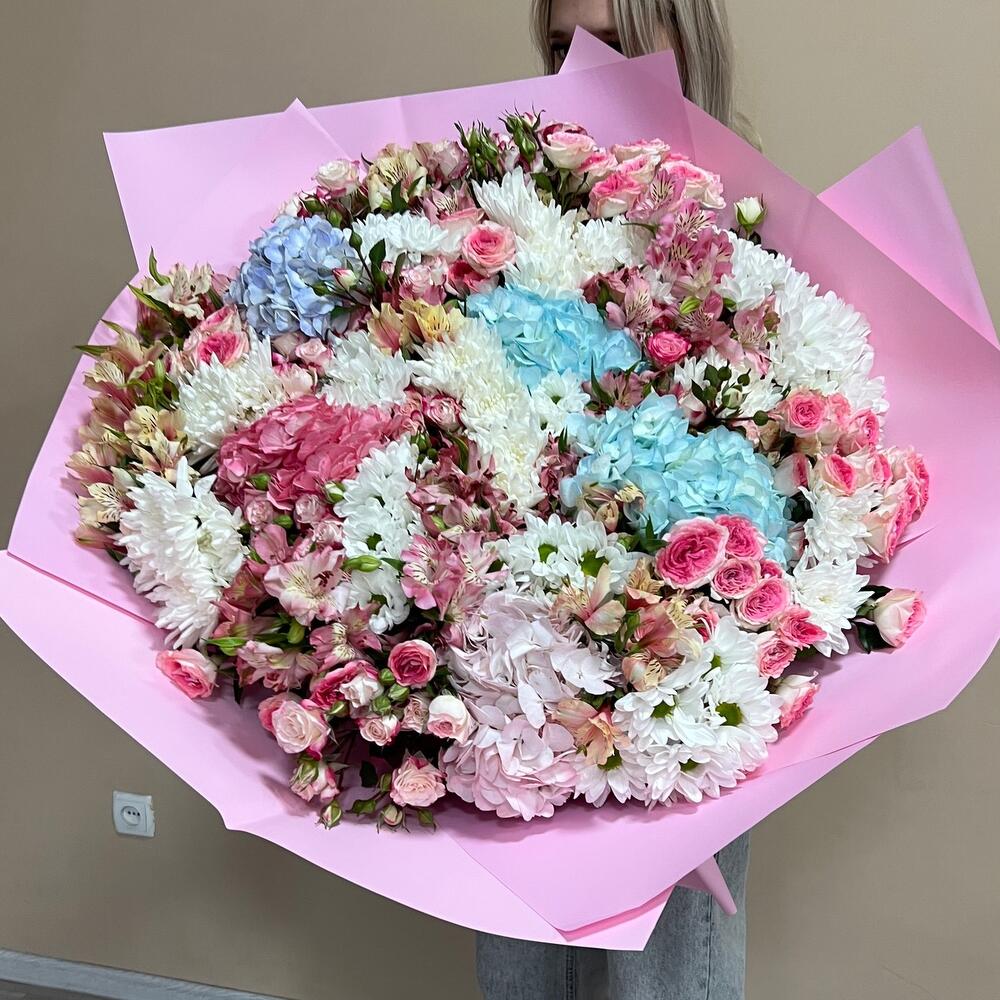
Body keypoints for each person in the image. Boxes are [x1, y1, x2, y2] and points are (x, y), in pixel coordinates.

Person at [476, 3, 755, 998]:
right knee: (519, 957)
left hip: (686, 669)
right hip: (515, 661)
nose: (581, 67)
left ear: (678, 35)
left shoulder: (746, 225)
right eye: (559, 44)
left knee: (666, 973)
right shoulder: (499, 216)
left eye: (612, 36)